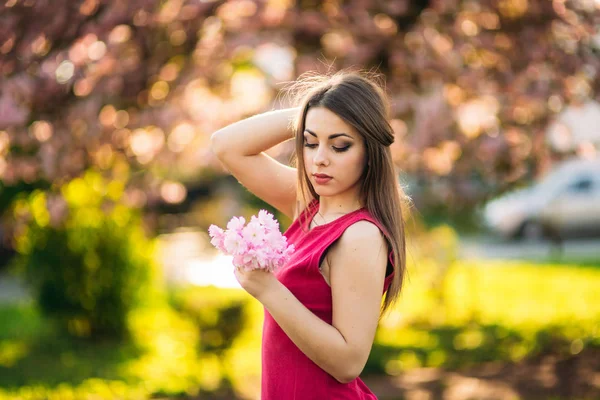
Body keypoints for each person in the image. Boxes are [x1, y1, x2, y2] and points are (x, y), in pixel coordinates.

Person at [210, 69, 408, 399]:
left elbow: (349, 363)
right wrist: (316, 108)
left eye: (340, 146)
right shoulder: (310, 206)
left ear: (370, 151)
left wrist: (269, 291)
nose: (319, 159)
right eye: (310, 142)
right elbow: (226, 145)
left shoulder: (359, 235)